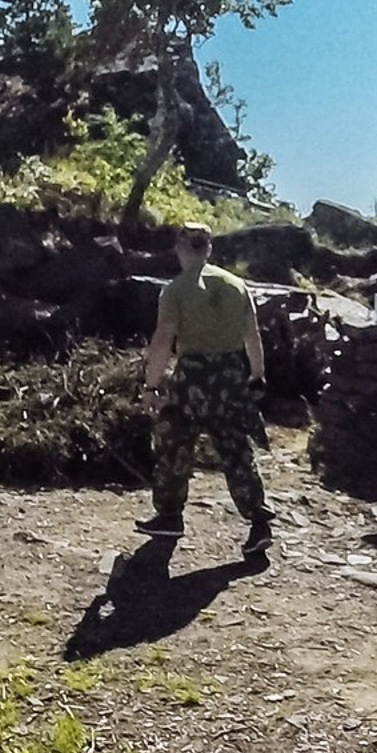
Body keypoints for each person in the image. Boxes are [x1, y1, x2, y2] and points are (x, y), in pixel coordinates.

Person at [136, 221, 271, 555]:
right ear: (209, 248)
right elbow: (252, 335)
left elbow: (164, 339)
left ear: (180, 248)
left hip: (192, 379)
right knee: (237, 451)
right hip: (230, 377)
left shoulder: (175, 290)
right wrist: (257, 375)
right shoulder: (236, 285)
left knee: (173, 445)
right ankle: (259, 522)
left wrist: (151, 385)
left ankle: (169, 516)